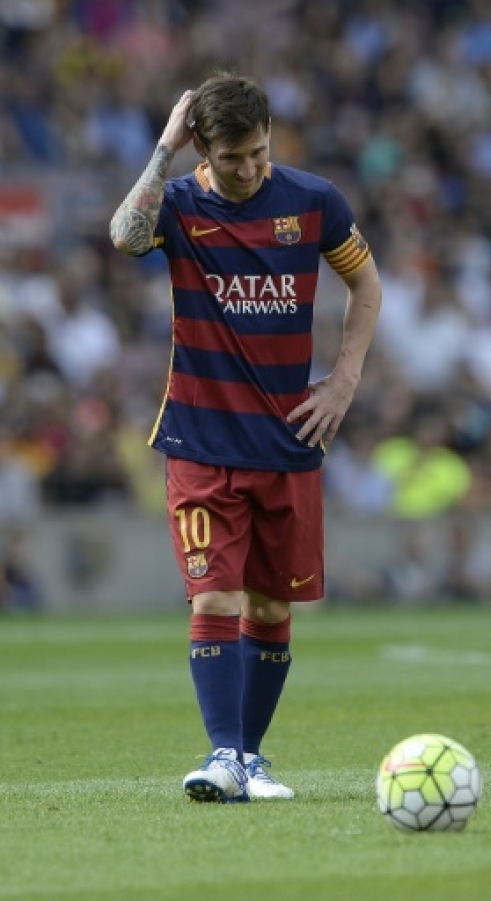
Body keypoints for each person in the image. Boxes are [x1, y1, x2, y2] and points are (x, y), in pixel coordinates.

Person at [110, 72, 381, 803]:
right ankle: (223, 751)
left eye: (259, 151)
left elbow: (367, 286)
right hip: (201, 443)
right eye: (233, 156)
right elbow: (123, 235)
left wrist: (344, 380)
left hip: (289, 445)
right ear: (203, 145)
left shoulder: (314, 201)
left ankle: (251, 757)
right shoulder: (178, 204)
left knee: (271, 609)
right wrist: (163, 148)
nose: (250, 168)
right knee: (216, 597)